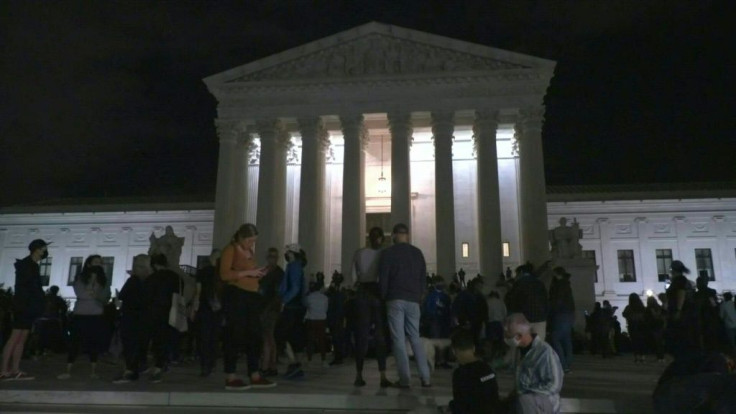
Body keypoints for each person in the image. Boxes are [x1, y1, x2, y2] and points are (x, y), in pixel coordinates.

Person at [219, 224, 273, 390]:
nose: (252, 244)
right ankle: (231, 376)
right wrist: (248, 273)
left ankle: (254, 373)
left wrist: (258, 272)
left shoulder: (249, 252)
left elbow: (249, 271)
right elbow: (224, 274)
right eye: (250, 240)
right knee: (235, 334)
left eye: (254, 241)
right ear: (241, 238)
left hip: (252, 295)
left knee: (254, 335)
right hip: (237, 295)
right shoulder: (230, 250)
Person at [379, 223, 431, 388]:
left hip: (395, 298)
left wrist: (383, 297)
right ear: (407, 235)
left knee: (399, 340)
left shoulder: (388, 253)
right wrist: (420, 296)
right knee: (415, 338)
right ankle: (426, 377)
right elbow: (423, 278)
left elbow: (384, 278)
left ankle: (405, 379)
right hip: (413, 300)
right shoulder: (417, 253)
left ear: (394, 235)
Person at [1, 239, 48, 380]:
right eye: (43, 249)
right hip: (24, 305)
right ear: (36, 249)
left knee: (21, 338)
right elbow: (27, 287)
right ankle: (4, 370)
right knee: (15, 337)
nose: (44, 251)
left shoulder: (31, 265)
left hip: (28, 306)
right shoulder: (26, 265)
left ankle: (15, 369)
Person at [58, 258, 111, 380]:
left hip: (96, 314)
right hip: (80, 314)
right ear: (88, 264)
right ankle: (68, 370)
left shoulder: (103, 279)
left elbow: (105, 297)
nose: (99, 264)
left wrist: (95, 294)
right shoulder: (80, 278)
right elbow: (81, 294)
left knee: (94, 343)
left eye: (100, 262)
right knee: (75, 342)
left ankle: (93, 370)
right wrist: (92, 285)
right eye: (96, 262)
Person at [351, 226, 390, 387]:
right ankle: (382, 376)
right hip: (377, 293)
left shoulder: (359, 253)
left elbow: (352, 277)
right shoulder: (384, 254)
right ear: (381, 238)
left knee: (362, 335)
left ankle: (359, 375)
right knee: (380, 336)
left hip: (362, 292)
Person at [503, 313, 564, 414]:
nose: (505, 339)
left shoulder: (545, 352)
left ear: (518, 336)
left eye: (508, 336)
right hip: (526, 400)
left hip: (545, 403)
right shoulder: (518, 351)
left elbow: (554, 385)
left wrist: (525, 394)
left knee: (524, 402)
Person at [113, 254, 151, 383]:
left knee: (130, 345)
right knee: (138, 345)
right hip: (144, 318)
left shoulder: (133, 280)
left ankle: (131, 372)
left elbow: (122, 296)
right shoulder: (149, 281)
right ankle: (138, 367)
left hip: (131, 317)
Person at [447, 328, 501, 414]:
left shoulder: (460, 374)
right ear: (473, 348)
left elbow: (461, 405)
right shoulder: (487, 369)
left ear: (454, 351)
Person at [277, 243, 308, 379]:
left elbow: (294, 288)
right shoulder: (299, 266)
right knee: (295, 336)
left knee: (282, 335)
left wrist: (284, 300)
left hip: (291, 306)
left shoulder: (293, 266)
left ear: (291, 253)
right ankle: (297, 365)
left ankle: (294, 363)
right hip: (298, 306)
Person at [192, 249, 222, 378]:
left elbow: (198, 292)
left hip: (205, 308)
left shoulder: (203, 272)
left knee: (203, 338)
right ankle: (211, 363)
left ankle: (205, 366)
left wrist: (194, 308)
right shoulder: (222, 273)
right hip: (218, 309)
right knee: (214, 338)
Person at [665, 260, 700, 359]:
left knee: (679, 335)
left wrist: (678, 310)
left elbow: (681, 294)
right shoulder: (681, 280)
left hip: (682, 312)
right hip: (684, 311)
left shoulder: (679, 280)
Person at [505, 264, 549, 342]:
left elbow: (512, 301)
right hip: (540, 317)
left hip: (524, 318)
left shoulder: (519, 283)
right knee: (539, 344)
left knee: (523, 344)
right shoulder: (539, 283)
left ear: (521, 272)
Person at [259, 247, 283, 377]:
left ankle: (266, 366)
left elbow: (277, 294)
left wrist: (267, 309)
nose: (271, 259)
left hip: (270, 309)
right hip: (265, 307)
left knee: (267, 337)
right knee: (269, 337)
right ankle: (271, 365)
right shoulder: (266, 271)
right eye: (270, 256)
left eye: (274, 256)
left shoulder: (278, 273)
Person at [548, 268, 575, 372]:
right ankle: (567, 363)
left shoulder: (559, 285)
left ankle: (563, 365)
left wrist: (551, 311)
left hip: (561, 313)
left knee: (555, 338)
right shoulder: (566, 284)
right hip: (569, 313)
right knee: (566, 339)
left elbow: (557, 301)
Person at [304, 280, 329, 365]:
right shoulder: (325, 298)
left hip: (311, 320)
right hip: (321, 320)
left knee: (310, 340)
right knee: (322, 340)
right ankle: (323, 360)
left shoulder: (309, 297)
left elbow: (306, 307)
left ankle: (309, 360)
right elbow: (326, 309)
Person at [326, 270, 347, 366]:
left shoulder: (336, 292)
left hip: (335, 317)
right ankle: (340, 355)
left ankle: (339, 356)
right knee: (338, 337)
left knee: (336, 337)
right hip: (338, 317)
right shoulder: (341, 292)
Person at [424, 275, 452, 339]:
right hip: (435, 320)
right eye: (439, 282)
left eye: (441, 282)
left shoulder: (446, 296)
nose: (440, 284)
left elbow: (448, 308)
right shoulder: (431, 296)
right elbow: (428, 308)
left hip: (444, 320)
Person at [622, 293, 648, 363]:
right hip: (641, 325)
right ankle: (642, 356)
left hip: (632, 325)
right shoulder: (642, 307)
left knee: (634, 341)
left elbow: (624, 314)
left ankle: (636, 357)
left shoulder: (629, 307)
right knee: (642, 341)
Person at [645, 296, 666, 363]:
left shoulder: (649, 308)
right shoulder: (659, 307)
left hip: (654, 326)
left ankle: (659, 356)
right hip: (659, 326)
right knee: (659, 342)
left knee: (657, 342)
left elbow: (653, 317)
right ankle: (661, 356)